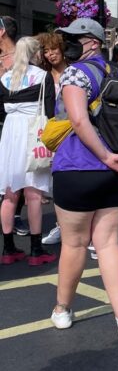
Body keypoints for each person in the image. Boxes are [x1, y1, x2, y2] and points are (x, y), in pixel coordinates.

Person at [48, 17, 118, 336]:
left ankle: (62, 309)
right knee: (109, 243)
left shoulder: (76, 73)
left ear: (93, 42)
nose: (69, 44)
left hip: (77, 167)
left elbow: (76, 119)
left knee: (74, 244)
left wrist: (102, 155)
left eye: (77, 38)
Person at [0, 37, 55, 266]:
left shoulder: (4, 78)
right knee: (34, 194)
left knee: (10, 193)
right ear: (36, 53)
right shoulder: (43, 77)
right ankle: (35, 249)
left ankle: (8, 249)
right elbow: (50, 111)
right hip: (34, 132)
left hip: (10, 134)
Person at [38, 32, 68, 245]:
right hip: (51, 132)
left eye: (53, 49)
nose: (50, 55)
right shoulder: (42, 75)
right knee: (57, 181)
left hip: (74, 131)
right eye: (46, 51)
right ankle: (61, 226)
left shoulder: (75, 70)